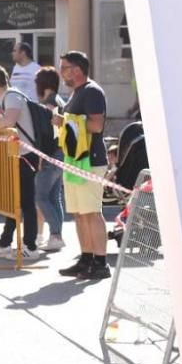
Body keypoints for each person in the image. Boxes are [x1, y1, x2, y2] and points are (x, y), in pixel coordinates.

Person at [0, 65, 42, 262]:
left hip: (25, 155)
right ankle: (5, 243)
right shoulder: (6, 97)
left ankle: (30, 246)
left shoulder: (12, 96)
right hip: (19, 154)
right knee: (14, 201)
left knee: (25, 202)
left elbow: (8, 121)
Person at [56, 50, 110, 280]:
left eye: (64, 67)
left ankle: (100, 262)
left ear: (76, 70)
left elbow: (96, 125)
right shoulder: (77, 92)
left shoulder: (92, 91)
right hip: (75, 159)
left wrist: (65, 121)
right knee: (79, 213)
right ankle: (86, 258)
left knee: (91, 212)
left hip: (91, 160)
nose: (61, 73)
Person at [33, 67, 66, 253]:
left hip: (50, 154)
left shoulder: (48, 104)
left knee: (41, 196)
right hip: (61, 153)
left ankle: (56, 236)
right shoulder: (60, 100)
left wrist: (40, 157)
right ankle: (55, 235)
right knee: (54, 196)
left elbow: (47, 135)